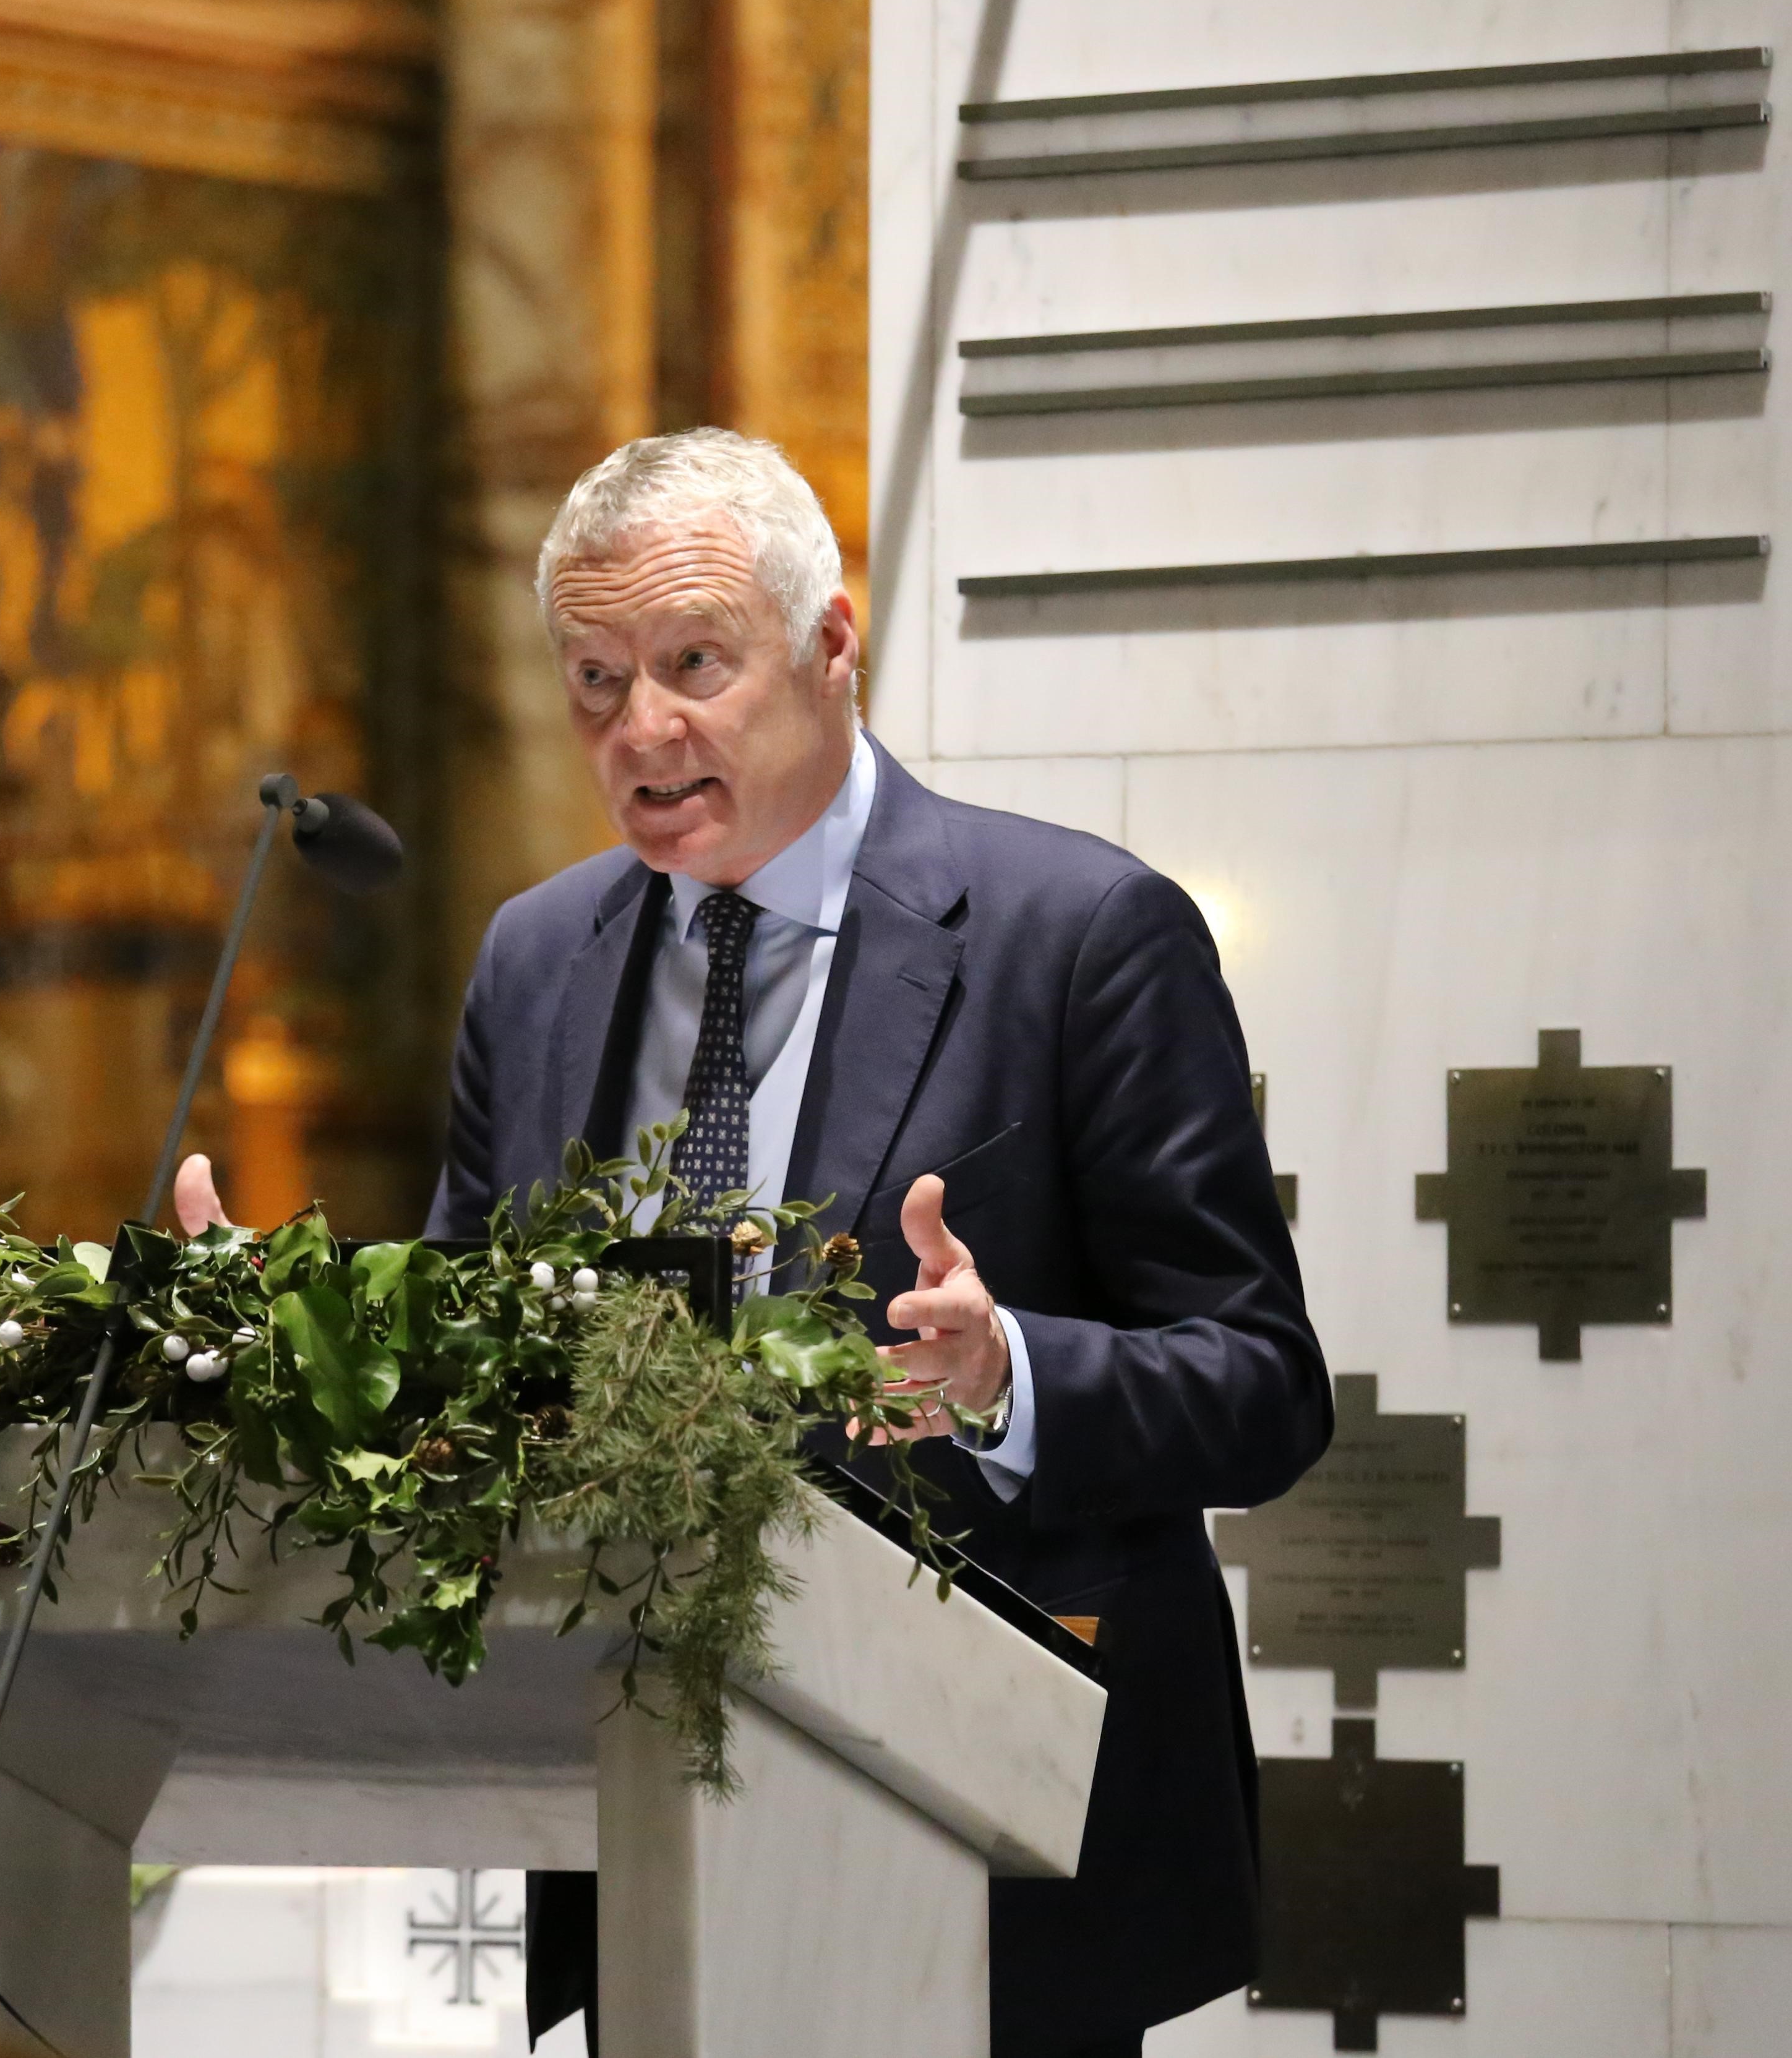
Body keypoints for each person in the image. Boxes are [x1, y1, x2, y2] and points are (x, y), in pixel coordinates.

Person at [178, 428, 1329, 2054]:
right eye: (593, 678)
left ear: (831, 644)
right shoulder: (536, 958)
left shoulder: (1079, 935)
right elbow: (474, 1355)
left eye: (692, 663)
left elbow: (1265, 1385)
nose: (638, 730)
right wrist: (295, 1339)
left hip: (988, 1848)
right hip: (636, 1805)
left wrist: (1008, 1379)